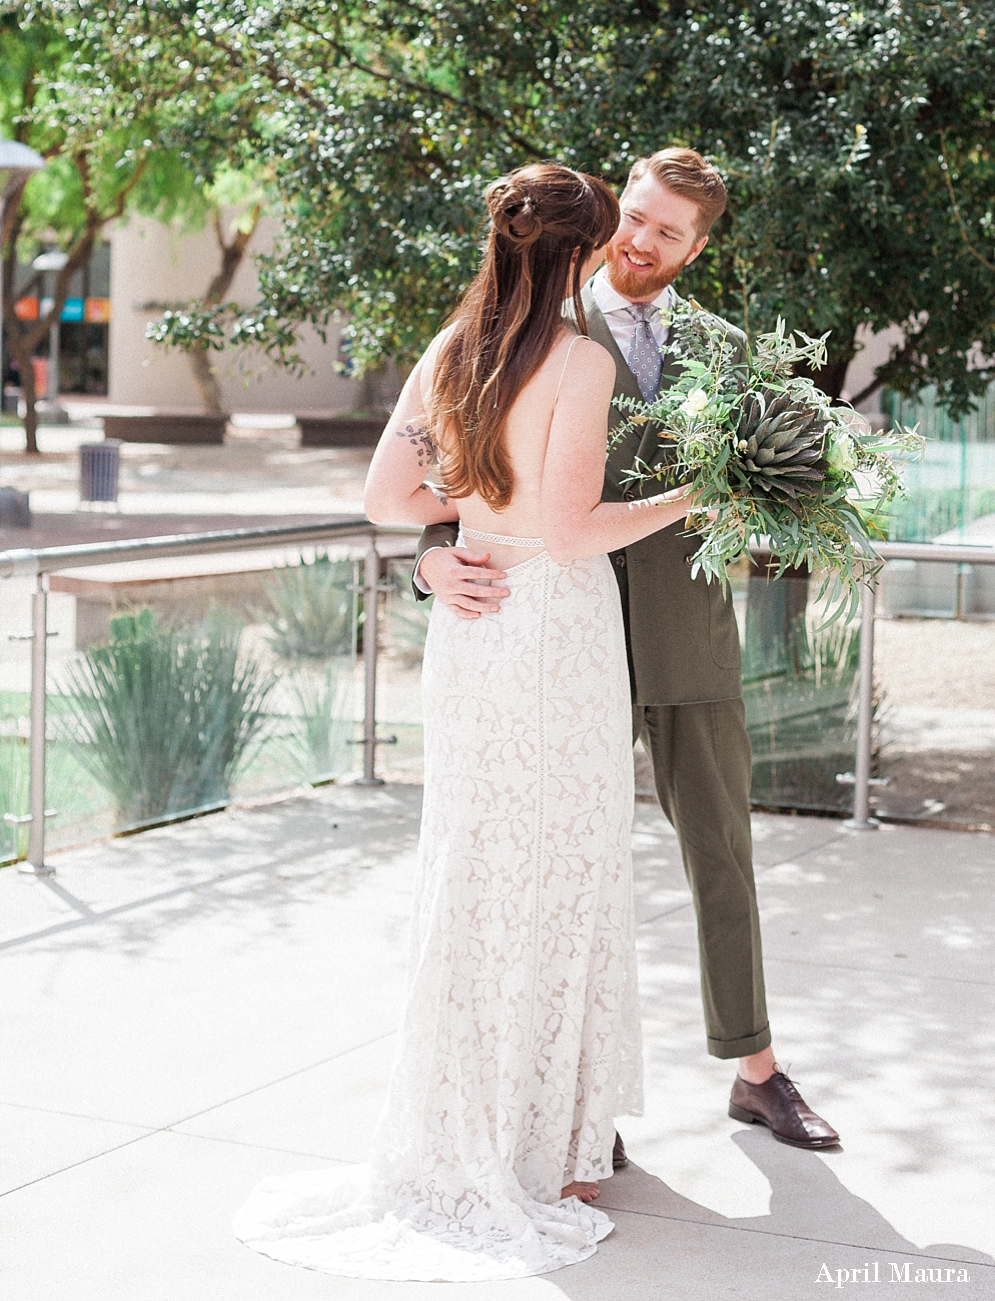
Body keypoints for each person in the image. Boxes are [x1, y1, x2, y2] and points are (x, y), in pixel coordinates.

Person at [233, 164, 700, 1283]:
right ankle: (547, 1149)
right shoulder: (579, 360)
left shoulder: (454, 350)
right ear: (582, 256)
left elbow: (385, 500)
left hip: (475, 628)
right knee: (562, 871)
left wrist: (450, 541)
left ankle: (489, 1125)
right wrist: (702, 492)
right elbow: (575, 527)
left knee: (478, 870)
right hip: (549, 628)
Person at [415, 147, 839, 1156]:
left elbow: (773, 493)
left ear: (696, 248)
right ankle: (574, 1104)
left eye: (663, 231)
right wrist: (430, 561)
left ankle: (756, 1072)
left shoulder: (733, 353)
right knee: (570, 877)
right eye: (633, 216)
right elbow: (453, 475)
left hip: (691, 642)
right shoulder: (534, 322)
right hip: (561, 645)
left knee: (722, 860)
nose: (636, 240)